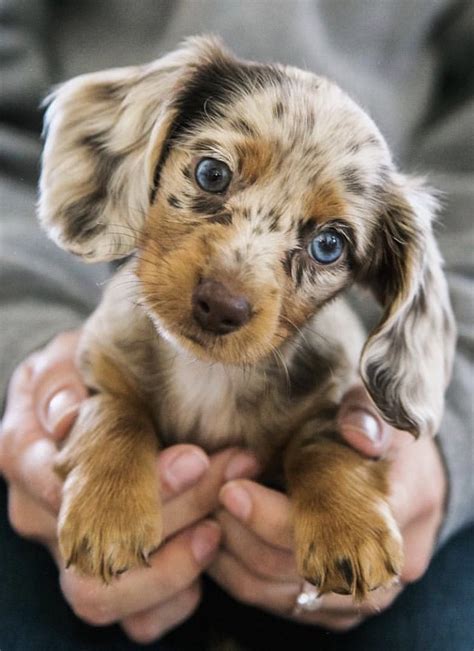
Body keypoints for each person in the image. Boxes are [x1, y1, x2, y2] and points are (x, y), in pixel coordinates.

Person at [0, 1, 473, 649]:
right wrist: (64, 394)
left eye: (328, 245)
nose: (230, 292)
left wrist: (414, 448)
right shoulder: (119, 336)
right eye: (212, 174)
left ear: (380, 275)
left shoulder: (323, 374)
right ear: (155, 143)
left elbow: (336, 428)